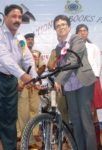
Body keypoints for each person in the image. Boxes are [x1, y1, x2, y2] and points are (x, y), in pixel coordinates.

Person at [0, 4, 38, 150]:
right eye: (14, 16)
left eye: (20, 17)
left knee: (9, 119)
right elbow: (4, 58)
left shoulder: (20, 38)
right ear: (5, 17)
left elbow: (27, 58)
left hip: (11, 80)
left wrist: (34, 77)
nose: (17, 19)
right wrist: (23, 75)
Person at [52, 15, 97, 150]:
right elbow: (62, 65)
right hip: (70, 86)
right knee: (75, 122)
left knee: (85, 121)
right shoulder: (58, 47)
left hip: (83, 83)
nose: (61, 27)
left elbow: (73, 60)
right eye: (58, 26)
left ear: (69, 27)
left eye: (63, 24)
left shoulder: (76, 39)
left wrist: (59, 80)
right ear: (55, 29)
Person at [17, 33, 46, 148]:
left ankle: (33, 133)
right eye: (27, 39)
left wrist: (33, 78)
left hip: (33, 84)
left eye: (31, 39)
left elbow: (42, 67)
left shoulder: (37, 53)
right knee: (22, 112)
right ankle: (20, 133)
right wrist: (24, 80)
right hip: (22, 84)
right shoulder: (18, 52)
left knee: (34, 109)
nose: (30, 41)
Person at [76, 23, 102, 147]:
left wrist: (95, 78)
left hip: (93, 81)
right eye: (80, 31)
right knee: (85, 113)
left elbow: (98, 63)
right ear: (77, 33)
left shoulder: (93, 47)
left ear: (88, 32)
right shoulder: (74, 47)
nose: (83, 32)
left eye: (85, 30)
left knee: (94, 113)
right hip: (79, 83)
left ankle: (97, 143)